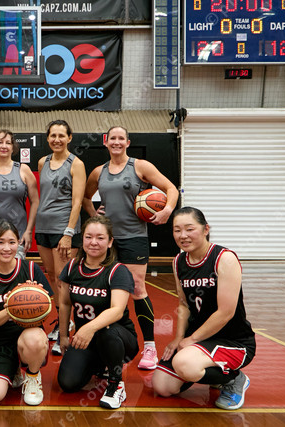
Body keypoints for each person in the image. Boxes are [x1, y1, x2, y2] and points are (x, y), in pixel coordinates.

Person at [83, 125, 179, 370]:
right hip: (106, 239)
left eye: (121, 138)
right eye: (112, 138)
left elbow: (170, 189)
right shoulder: (99, 172)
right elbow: (85, 196)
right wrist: (94, 214)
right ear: (105, 142)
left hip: (134, 236)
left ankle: (150, 347)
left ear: (127, 142)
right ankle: (108, 342)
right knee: (106, 291)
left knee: (137, 288)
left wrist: (167, 210)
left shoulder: (140, 166)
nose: (116, 142)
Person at [152, 207, 255, 410]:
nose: (183, 235)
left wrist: (192, 339)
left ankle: (234, 378)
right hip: (200, 340)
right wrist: (178, 338)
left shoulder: (224, 258)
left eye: (190, 229)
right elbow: (184, 304)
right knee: (162, 386)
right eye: (177, 230)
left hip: (232, 340)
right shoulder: (178, 261)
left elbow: (226, 312)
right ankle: (214, 372)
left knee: (184, 363)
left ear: (205, 229)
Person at [56, 216, 139, 409]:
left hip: (119, 339)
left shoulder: (117, 271)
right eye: (88, 237)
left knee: (107, 330)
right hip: (85, 340)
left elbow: (117, 311)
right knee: (68, 383)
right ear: (82, 239)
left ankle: (116, 383)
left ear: (110, 242)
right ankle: (101, 366)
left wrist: (89, 328)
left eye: (100, 238)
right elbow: (65, 303)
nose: (93, 242)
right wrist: (63, 336)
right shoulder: (72, 267)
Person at [0, 219, 52, 407]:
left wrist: (34, 295)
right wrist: (13, 308)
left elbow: (47, 310)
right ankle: (12, 369)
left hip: (29, 338)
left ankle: (32, 376)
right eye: (0, 242)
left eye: (11, 242)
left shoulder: (31, 269)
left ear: (18, 243)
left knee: (34, 339)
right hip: (0, 342)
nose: (6, 248)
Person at [35, 119, 86, 356]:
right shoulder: (42, 162)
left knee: (63, 280)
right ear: (48, 138)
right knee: (52, 276)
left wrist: (68, 232)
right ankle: (62, 320)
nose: (57, 140)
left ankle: (65, 328)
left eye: (61, 135)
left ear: (69, 138)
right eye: (53, 136)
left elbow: (77, 202)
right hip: (43, 227)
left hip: (63, 229)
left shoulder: (76, 164)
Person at [0, 129, 39, 264]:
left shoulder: (23, 170)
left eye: (8, 143)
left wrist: (29, 231)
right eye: (0, 142)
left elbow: (35, 202)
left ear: (13, 147)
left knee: (16, 270)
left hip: (17, 232)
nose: (4, 146)